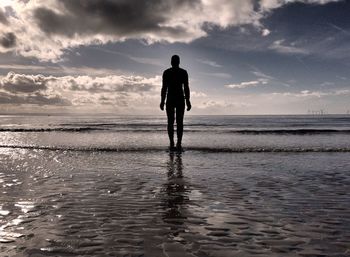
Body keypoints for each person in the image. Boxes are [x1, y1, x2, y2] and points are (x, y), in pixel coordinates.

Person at [160, 55, 191, 151]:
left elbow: (186, 87)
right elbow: (164, 88)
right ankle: (175, 143)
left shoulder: (169, 72)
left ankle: (175, 143)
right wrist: (188, 100)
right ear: (178, 62)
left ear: (172, 62)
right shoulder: (180, 72)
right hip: (176, 99)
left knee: (174, 122)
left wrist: (188, 100)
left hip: (174, 99)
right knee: (177, 122)